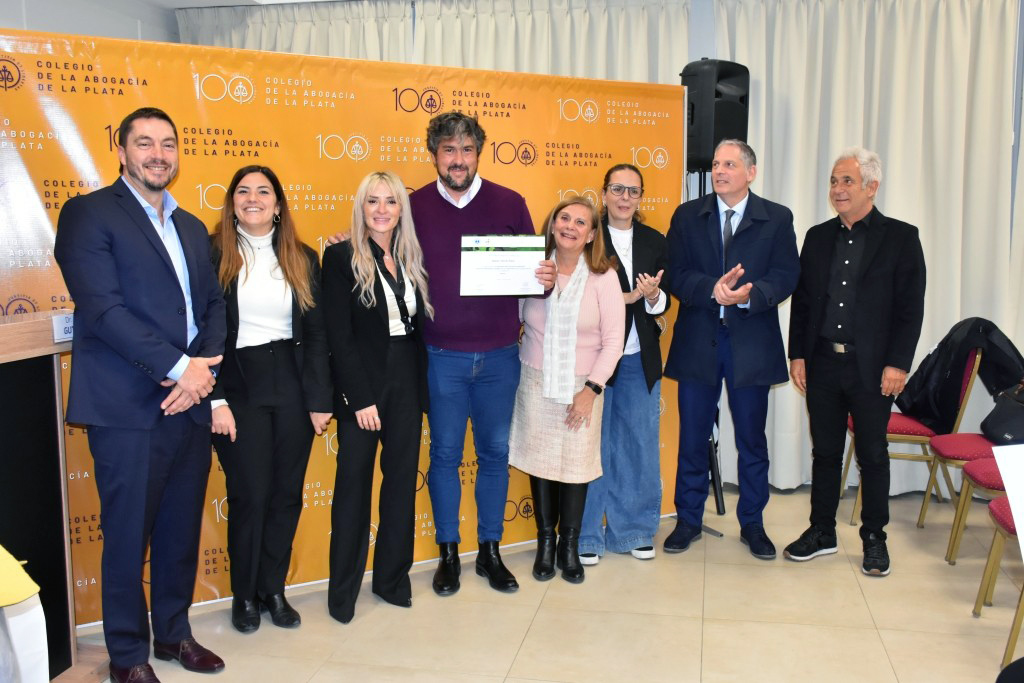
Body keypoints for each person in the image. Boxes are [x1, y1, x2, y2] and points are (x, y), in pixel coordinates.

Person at [54, 107, 226, 683]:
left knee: (180, 528)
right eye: (145, 142)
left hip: (189, 403)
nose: (158, 153)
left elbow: (213, 309)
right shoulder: (88, 214)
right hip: (127, 407)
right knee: (128, 536)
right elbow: (102, 309)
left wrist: (198, 375)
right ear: (122, 150)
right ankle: (128, 656)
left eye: (168, 143)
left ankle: (175, 634)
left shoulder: (193, 227)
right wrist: (181, 369)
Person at [410, 112, 555, 595]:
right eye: (448, 150)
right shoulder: (411, 207)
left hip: (498, 356)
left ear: (479, 153)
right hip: (441, 356)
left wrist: (544, 277)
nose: (457, 159)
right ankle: (449, 552)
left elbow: (532, 274)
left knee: (495, 454)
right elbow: (383, 257)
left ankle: (489, 551)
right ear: (434, 154)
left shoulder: (510, 203)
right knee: (446, 454)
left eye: (466, 150)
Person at [785, 147, 926, 576]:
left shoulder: (902, 237)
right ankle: (822, 531)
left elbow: (909, 308)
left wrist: (899, 363)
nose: (838, 189)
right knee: (825, 453)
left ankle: (874, 538)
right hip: (824, 363)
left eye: (847, 181)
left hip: (873, 369)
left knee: (872, 454)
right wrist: (799, 354)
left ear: (872, 187)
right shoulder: (817, 236)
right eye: (834, 180)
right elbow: (804, 303)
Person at [208, 165, 332, 633]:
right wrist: (214, 399)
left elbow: (317, 334)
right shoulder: (213, 253)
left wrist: (320, 399)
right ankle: (244, 596)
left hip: (295, 385)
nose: (254, 198)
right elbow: (199, 330)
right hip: (239, 384)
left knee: (285, 495)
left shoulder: (303, 257)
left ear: (279, 204)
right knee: (248, 494)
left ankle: (272, 589)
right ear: (232, 202)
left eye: (264, 191)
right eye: (244, 191)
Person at [663, 139, 800, 560]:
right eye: (716, 163)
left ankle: (753, 524)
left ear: (750, 172)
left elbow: (787, 274)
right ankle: (688, 519)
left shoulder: (776, 217)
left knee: (751, 440)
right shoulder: (689, 215)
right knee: (692, 437)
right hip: (698, 340)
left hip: (751, 343)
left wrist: (748, 294)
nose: (719, 170)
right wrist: (712, 291)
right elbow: (675, 274)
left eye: (729, 164)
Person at [322, 171, 432, 624]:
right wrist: (358, 397)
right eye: (373, 201)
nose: (382, 209)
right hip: (363, 383)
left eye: (391, 201)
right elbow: (338, 337)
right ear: (361, 207)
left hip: (406, 376)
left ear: (401, 208)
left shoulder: (410, 256)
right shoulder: (340, 255)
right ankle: (342, 594)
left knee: (402, 483)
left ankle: (391, 580)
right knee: (353, 489)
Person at [509, 197, 625, 583]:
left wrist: (591, 390)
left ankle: (569, 546)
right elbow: (511, 315)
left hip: (583, 384)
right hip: (536, 380)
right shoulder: (534, 269)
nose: (570, 226)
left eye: (580, 222)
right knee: (541, 463)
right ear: (552, 223)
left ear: (592, 234)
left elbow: (614, 341)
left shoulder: (604, 275)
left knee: (575, 466)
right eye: (564, 218)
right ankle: (545, 542)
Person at [578, 164, 669, 566]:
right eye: (618, 189)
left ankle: (633, 530)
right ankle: (585, 534)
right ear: (604, 193)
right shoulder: (586, 234)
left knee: (638, 444)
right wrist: (623, 299)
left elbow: (664, 301)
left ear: (641, 198)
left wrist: (651, 298)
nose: (625, 198)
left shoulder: (654, 240)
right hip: (592, 359)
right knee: (588, 446)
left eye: (633, 191)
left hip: (637, 356)